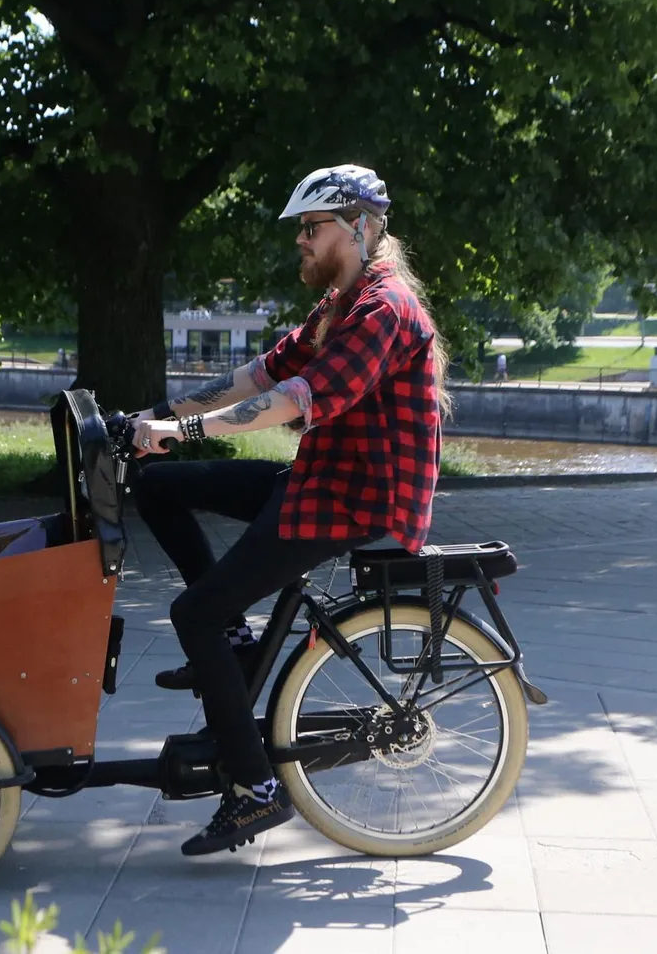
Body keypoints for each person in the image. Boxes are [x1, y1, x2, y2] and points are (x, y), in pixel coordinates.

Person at [127, 163, 450, 856]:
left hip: (356, 501)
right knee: (156, 486)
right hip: (320, 479)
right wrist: (151, 418)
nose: (300, 241)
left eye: (311, 228)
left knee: (194, 614)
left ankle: (254, 788)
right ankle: (239, 646)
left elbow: (297, 398)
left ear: (359, 227)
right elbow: (259, 375)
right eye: (300, 230)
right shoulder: (342, 301)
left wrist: (179, 434)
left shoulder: (383, 309)